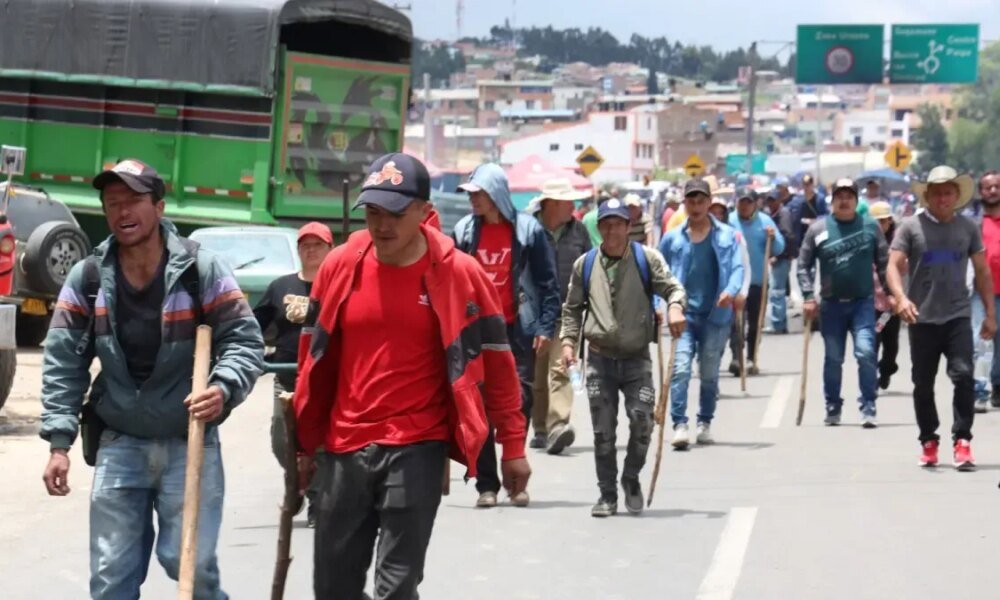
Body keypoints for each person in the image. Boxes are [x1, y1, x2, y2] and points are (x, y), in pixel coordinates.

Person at [294, 153, 531, 598]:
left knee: (397, 587)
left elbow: (499, 366)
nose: (382, 225)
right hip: (344, 446)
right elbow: (312, 359)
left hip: (418, 445)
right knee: (333, 588)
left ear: (424, 211)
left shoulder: (461, 274)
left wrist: (513, 446)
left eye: (396, 214)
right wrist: (306, 444)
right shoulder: (339, 266)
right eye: (373, 213)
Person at [40, 159, 264, 599]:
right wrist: (58, 443)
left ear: (159, 207)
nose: (122, 211)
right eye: (112, 203)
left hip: (189, 439)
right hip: (120, 441)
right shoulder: (89, 278)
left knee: (190, 566)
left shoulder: (201, 271)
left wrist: (223, 387)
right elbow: (63, 361)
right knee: (111, 580)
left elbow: (244, 340)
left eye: (133, 201)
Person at [560, 198, 687, 517]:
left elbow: (673, 288)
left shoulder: (647, 259)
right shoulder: (585, 264)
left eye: (618, 224)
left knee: (643, 421)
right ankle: (607, 495)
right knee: (603, 433)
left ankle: (631, 477)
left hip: (636, 359)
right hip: (599, 360)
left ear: (628, 227)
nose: (612, 230)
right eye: (606, 225)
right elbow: (572, 308)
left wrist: (675, 307)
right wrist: (568, 344)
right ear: (599, 228)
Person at [454, 163, 560, 508]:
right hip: (475, 330)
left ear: (496, 194)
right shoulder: (464, 232)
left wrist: (545, 326)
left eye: (479, 194)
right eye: (470, 194)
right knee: (479, 404)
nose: (473, 200)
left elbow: (548, 283)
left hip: (517, 329)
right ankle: (487, 485)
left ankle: (514, 474)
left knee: (520, 400)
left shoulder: (529, 231)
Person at [887, 165, 996, 470]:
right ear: (928, 196)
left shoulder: (968, 227)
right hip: (922, 318)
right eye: (937, 193)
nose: (943, 198)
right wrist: (901, 298)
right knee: (923, 384)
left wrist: (990, 313)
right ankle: (928, 440)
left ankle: (962, 440)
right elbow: (892, 265)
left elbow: (982, 271)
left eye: (948, 193)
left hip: (957, 315)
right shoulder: (911, 227)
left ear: (957, 195)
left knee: (963, 375)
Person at [253, 221, 333, 527]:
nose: (311, 251)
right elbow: (252, 326)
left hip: (324, 380)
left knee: (320, 443)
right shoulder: (280, 287)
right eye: (305, 245)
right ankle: (297, 479)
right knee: (281, 439)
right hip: (286, 378)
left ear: (330, 249)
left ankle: (316, 497)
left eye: (318, 245)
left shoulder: (338, 287)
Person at [660, 180, 744, 448]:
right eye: (691, 201)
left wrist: (731, 291)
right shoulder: (672, 238)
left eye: (700, 201)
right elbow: (658, 273)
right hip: (683, 315)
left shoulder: (727, 235)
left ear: (709, 203)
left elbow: (738, 268)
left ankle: (704, 422)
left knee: (708, 373)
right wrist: (658, 306)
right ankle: (680, 424)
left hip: (715, 316)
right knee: (680, 370)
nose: (696, 207)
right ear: (684, 204)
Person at [798, 179, 888, 428]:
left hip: (863, 304)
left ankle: (868, 404)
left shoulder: (871, 227)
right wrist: (808, 295)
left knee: (866, 352)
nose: (845, 201)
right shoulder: (818, 229)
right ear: (832, 200)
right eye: (840, 196)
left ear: (856, 200)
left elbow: (884, 263)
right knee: (834, 358)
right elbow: (804, 264)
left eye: (849, 196)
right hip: (831, 305)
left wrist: (891, 294)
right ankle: (833, 405)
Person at [530, 178, 592, 454]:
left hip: (568, 313)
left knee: (562, 369)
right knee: (537, 376)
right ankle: (540, 428)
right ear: (552, 204)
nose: (573, 206)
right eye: (569, 201)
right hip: (534, 315)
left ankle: (558, 426)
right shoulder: (529, 230)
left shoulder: (579, 231)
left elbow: (590, 266)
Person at [728, 187, 785, 375]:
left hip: (758, 281)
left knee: (755, 323)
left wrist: (773, 238)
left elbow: (779, 248)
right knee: (736, 323)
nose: (744, 206)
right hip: (735, 282)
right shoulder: (729, 221)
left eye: (748, 202)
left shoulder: (765, 221)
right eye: (741, 202)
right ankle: (737, 357)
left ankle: (752, 358)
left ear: (755, 204)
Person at [971, 170, 1000, 412]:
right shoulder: (974, 223)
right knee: (980, 340)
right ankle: (979, 390)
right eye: (988, 187)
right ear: (980, 192)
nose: (993, 191)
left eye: (997, 186)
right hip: (980, 293)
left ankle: (997, 385)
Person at [869, 201, 901, 391]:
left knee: (891, 346)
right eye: (876, 222)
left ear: (889, 221)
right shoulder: (866, 240)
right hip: (872, 302)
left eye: (883, 221)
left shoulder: (899, 242)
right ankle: (870, 379)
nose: (880, 226)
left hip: (893, 305)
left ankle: (886, 370)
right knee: (872, 343)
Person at [763, 188, 796, 334]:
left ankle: (778, 323)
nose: (770, 203)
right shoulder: (773, 214)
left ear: (779, 200)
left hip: (782, 258)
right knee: (777, 290)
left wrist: (779, 255)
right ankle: (779, 323)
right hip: (778, 257)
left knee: (777, 291)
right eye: (768, 201)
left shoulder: (784, 214)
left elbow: (787, 236)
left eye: (773, 200)